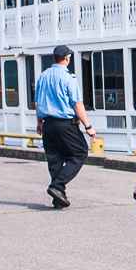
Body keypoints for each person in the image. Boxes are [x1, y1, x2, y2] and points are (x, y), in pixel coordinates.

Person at [34, 45, 97, 209]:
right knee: (80, 152)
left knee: (55, 158)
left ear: (54, 58)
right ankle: (57, 186)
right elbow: (76, 104)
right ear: (67, 58)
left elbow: (37, 101)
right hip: (65, 124)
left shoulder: (43, 76)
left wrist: (39, 122)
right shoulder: (68, 77)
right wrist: (88, 126)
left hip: (48, 124)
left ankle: (58, 199)